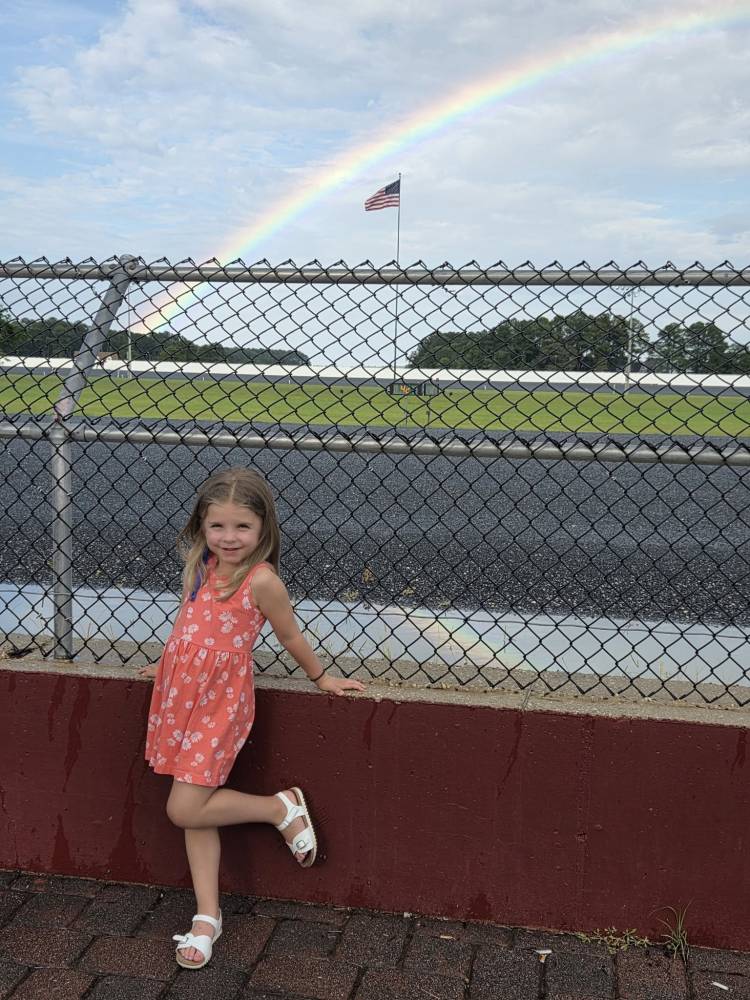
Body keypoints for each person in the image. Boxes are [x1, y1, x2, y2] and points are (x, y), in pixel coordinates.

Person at [139, 467, 364, 970]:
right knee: (193, 805)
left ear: (263, 529)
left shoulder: (261, 581)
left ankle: (278, 808)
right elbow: (188, 619)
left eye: (241, 527)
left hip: (219, 705)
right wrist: (169, 660)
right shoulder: (202, 562)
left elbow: (289, 636)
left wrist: (321, 678)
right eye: (218, 526)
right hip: (180, 698)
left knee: (183, 807)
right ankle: (207, 915)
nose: (229, 537)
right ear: (202, 527)